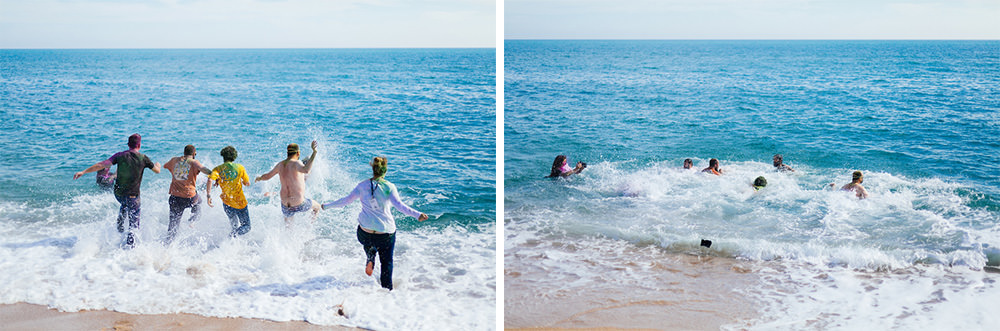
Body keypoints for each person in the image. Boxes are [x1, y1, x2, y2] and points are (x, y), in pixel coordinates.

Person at [321, 156, 429, 290]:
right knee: (386, 262)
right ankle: (387, 293)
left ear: (373, 169)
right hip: (385, 233)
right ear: (385, 171)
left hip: (365, 233)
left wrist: (326, 206)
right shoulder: (389, 187)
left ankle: (370, 255)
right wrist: (417, 215)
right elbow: (400, 206)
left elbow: (345, 201)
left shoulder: (362, 186)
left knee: (367, 240)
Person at [73, 133, 161, 248]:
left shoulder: (119, 155)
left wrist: (83, 172)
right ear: (139, 145)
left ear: (128, 144)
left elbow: (102, 164)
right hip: (133, 196)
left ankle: (120, 225)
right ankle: (130, 249)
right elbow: (157, 171)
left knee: (124, 204)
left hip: (118, 194)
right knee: (133, 225)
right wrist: (158, 165)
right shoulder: (143, 158)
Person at [255, 141, 321, 225]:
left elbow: (267, 176)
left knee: (288, 228)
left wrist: (259, 178)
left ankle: (287, 237)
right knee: (317, 207)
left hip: (285, 205)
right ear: (298, 153)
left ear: (287, 153)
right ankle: (309, 230)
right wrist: (314, 152)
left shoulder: (280, 165)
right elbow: (307, 170)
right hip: (299, 203)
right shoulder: (297, 163)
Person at [163, 145, 212, 244]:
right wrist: (214, 174)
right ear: (194, 154)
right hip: (189, 197)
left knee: (172, 226)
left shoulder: (174, 160)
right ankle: (192, 221)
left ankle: (167, 246)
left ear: (184, 153)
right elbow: (203, 169)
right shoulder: (194, 162)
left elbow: (165, 166)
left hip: (175, 198)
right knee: (199, 202)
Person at [206, 146, 251, 237]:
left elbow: (210, 180)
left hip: (227, 203)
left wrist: (208, 195)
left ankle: (231, 244)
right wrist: (243, 182)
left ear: (223, 156)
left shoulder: (218, 169)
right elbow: (247, 183)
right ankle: (231, 237)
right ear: (234, 156)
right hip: (240, 202)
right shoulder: (240, 168)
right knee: (246, 226)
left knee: (234, 226)